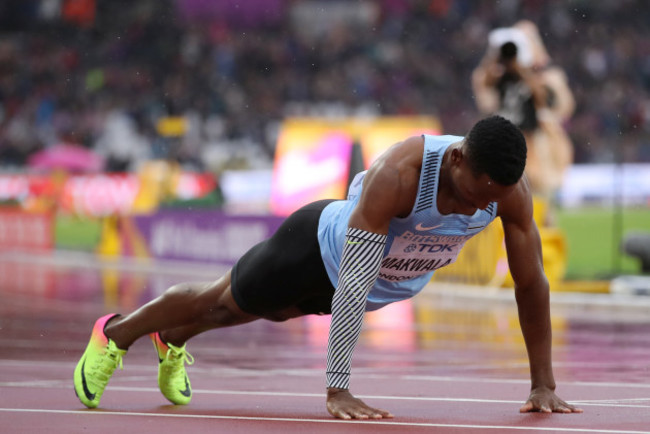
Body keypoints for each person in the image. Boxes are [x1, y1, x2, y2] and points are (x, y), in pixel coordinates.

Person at [73, 115, 582, 419]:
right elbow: (354, 282)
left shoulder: (507, 193)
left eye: (488, 203)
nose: (476, 211)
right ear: (457, 161)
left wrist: (544, 384)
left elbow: (531, 284)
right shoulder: (401, 174)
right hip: (315, 249)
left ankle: (174, 340)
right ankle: (116, 333)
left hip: (377, 284)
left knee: (250, 313)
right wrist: (338, 388)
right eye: (472, 197)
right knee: (222, 301)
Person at [471, 21, 575, 204]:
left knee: (537, 189)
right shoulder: (496, 76)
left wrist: (530, 76)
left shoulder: (547, 77)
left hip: (534, 141)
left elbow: (562, 108)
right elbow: (485, 101)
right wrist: (495, 62)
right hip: (504, 139)